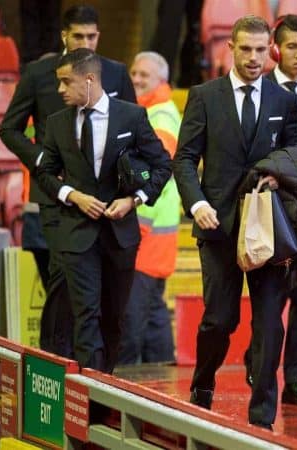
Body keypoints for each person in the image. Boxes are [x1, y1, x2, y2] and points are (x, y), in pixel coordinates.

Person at [174, 15, 297, 430]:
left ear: (271, 51)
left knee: (268, 322)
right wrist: (196, 205)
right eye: (245, 49)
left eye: (261, 50)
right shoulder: (204, 95)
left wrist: (279, 173)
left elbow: (296, 152)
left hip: (268, 226)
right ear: (230, 46)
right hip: (217, 227)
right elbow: (184, 159)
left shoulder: (283, 101)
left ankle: (262, 417)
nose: (253, 57)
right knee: (220, 319)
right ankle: (203, 383)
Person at [0, 4, 136, 358]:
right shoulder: (40, 73)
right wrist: (42, 159)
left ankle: (94, 374)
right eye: (78, 36)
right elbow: (9, 129)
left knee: (99, 292)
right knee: (64, 279)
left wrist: (132, 188)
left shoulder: (116, 73)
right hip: (56, 198)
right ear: (64, 36)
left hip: (104, 202)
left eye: (92, 36)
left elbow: (134, 130)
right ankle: (55, 363)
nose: (86, 43)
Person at [36, 48, 171, 374]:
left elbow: (163, 165)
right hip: (76, 234)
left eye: (66, 82)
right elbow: (43, 174)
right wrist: (72, 195)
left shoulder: (132, 116)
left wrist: (134, 199)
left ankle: (104, 385)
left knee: (114, 317)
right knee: (86, 314)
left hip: (121, 234)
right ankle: (88, 396)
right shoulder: (56, 124)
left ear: (90, 79)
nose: (60, 90)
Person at [243, 14, 297, 407]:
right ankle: (258, 359)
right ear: (276, 49)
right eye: (291, 46)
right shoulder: (260, 91)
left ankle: (296, 378)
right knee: (271, 298)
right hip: (273, 207)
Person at [118, 51, 181, 365]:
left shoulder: (161, 115)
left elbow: (152, 170)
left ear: (162, 81)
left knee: (132, 315)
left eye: (145, 75)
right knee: (154, 311)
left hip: (146, 229)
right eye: (134, 72)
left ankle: (123, 387)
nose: (137, 79)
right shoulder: (149, 111)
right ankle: (161, 382)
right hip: (153, 229)